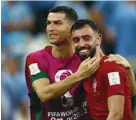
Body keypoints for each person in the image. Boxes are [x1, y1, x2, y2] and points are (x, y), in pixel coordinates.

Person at [25, 6, 135, 120]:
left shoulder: (86, 57)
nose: (50, 28)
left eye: (57, 23)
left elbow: (125, 94)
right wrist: (79, 75)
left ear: (72, 28)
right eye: (49, 23)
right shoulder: (36, 58)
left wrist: (128, 72)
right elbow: (44, 94)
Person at [70, 19, 136, 120]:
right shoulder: (84, 70)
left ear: (98, 39)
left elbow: (116, 114)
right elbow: (129, 92)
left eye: (86, 38)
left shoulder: (111, 68)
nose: (81, 44)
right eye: (76, 40)